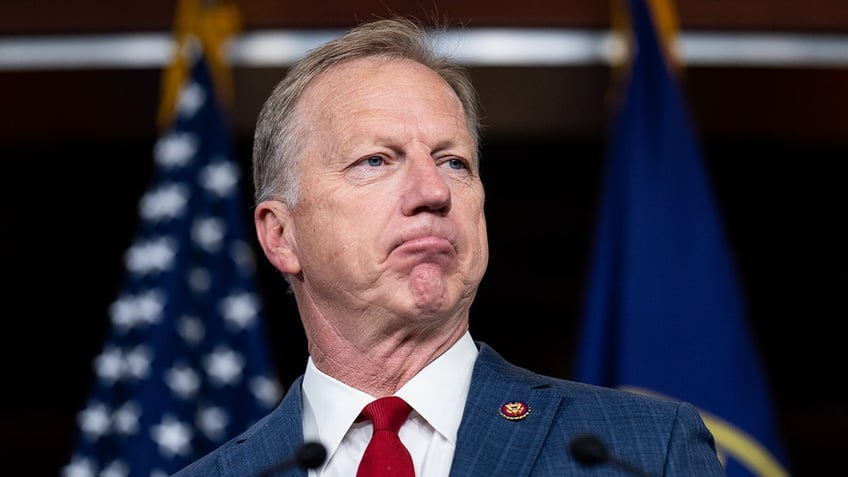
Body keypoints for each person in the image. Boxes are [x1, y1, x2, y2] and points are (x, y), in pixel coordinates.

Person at [173, 16, 725, 477]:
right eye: (376, 160)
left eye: (453, 162)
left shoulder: (646, 453)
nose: (433, 192)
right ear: (280, 235)